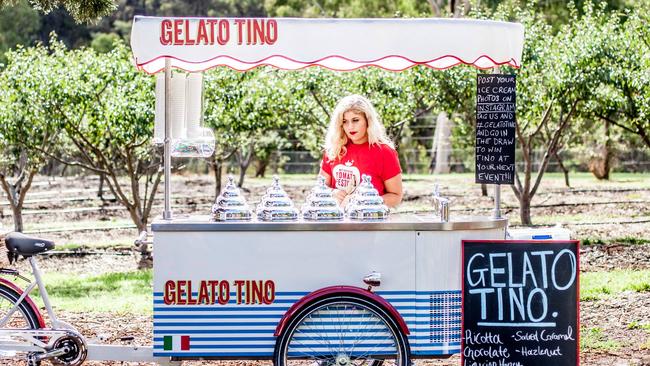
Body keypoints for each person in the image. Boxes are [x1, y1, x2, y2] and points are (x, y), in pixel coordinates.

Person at [319, 94, 403, 208]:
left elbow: (396, 197)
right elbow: (319, 189)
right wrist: (332, 193)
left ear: (368, 121)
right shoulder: (334, 148)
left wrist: (364, 202)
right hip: (335, 222)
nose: (350, 127)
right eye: (345, 121)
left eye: (355, 120)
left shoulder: (385, 152)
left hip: (370, 223)